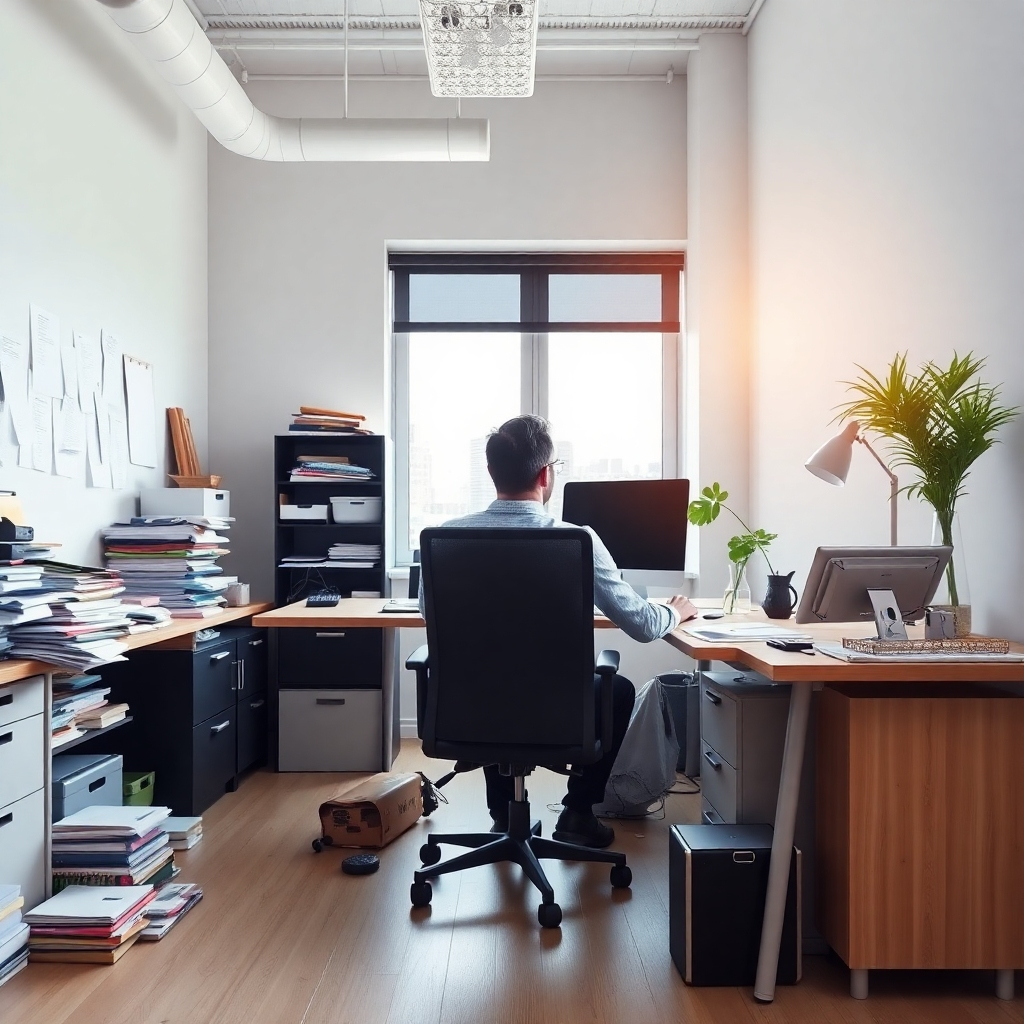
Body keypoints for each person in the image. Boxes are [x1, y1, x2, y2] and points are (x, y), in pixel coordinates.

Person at [428, 414, 697, 848]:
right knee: (617, 689)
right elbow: (645, 626)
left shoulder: (445, 537)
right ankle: (577, 813)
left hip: (470, 710)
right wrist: (676, 612)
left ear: (492, 472)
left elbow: (431, 615)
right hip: (558, 714)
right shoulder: (577, 541)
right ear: (545, 474)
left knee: (493, 680)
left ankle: (503, 815)